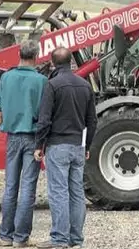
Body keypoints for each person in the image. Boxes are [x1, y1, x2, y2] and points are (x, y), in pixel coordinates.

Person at [34, 47, 97, 249]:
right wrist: (87, 145)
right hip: (78, 146)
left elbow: (44, 120)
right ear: (71, 61)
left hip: (57, 146)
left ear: (52, 63)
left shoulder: (52, 85)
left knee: (59, 192)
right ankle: (76, 240)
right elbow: (92, 121)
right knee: (77, 193)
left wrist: (39, 145)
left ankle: (59, 240)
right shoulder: (85, 85)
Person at [0, 40, 47, 248]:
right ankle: (21, 238)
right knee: (28, 188)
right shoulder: (41, 81)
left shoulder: (6, 78)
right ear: (36, 56)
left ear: (19, 54)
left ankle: (5, 237)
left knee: (10, 187)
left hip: (12, 138)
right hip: (33, 138)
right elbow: (45, 115)